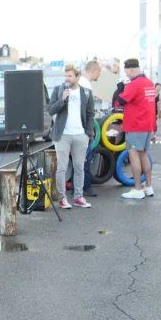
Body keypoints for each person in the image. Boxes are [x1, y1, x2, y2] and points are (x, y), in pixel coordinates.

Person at [48, 64, 95, 209]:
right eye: (65, 75)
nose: (67, 78)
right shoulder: (58, 90)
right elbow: (50, 110)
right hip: (63, 135)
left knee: (79, 167)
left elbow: (90, 114)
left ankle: (78, 197)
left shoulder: (86, 92)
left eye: (70, 76)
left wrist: (88, 133)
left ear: (77, 77)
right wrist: (62, 100)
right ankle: (62, 198)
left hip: (80, 134)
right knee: (62, 167)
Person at [116, 59, 156, 199]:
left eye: (126, 72)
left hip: (135, 125)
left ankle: (138, 189)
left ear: (131, 69)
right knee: (144, 155)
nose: (126, 75)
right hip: (148, 124)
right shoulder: (149, 83)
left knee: (134, 156)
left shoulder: (135, 84)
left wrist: (120, 88)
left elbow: (119, 101)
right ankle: (148, 187)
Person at [75, 60, 102, 197]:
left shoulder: (80, 83)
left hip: (76, 128)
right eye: (100, 72)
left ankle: (78, 187)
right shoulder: (86, 86)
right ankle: (85, 187)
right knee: (85, 159)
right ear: (94, 70)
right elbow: (87, 110)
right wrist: (89, 128)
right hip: (83, 129)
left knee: (80, 159)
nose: (100, 75)